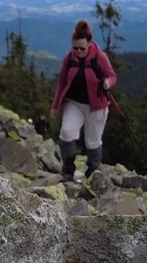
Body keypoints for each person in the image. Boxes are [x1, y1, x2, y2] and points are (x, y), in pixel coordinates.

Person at [50, 19, 118, 182]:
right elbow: (62, 82)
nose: (79, 51)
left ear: (89, 45)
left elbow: (112, 76)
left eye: (82, 48)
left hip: (96, 106)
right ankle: (68, 170)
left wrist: (107, 83)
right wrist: (55, 106)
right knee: (67, 132)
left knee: (92, 141)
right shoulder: (69, 59)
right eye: (75, 48)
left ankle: (92, 173)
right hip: (74, 103)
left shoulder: (99, 57)